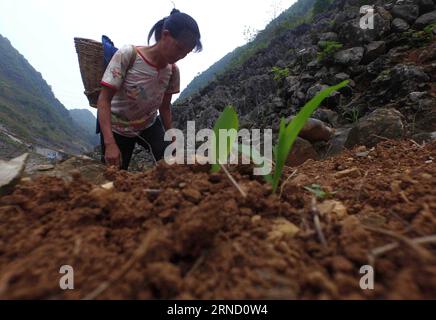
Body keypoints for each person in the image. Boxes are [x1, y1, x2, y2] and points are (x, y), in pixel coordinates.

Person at [97, 8, 202, 170]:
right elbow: (104, 100)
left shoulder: (173, 71)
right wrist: (109, 143)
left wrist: (172, 136)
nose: (180, 56)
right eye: (179, 48)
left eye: (186, 53)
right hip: (118, 128)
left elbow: (165, 107)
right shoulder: (128, 55)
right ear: (165, 35)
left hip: (149, 125)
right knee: (115, 175)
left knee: (174, 165)